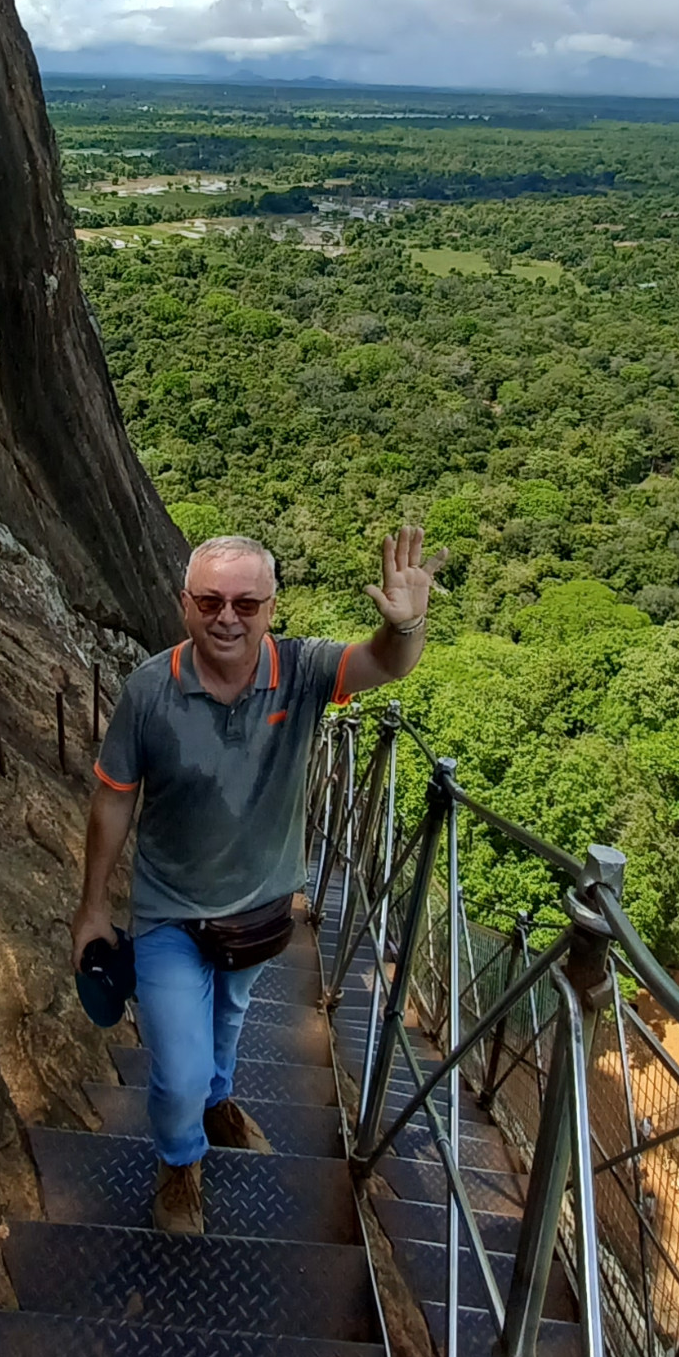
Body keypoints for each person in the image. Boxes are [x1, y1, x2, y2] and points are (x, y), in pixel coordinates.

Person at [72, 528, 442, 1234]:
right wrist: (92, 907)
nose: (227, 617)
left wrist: (407, 625)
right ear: (184, 605)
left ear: (273, 607)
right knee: (176, 1067)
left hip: (259, 908)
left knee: (230, 1019)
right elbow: (114, 795)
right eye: (209, 600)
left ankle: (219, 1101)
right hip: (170, 912)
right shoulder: (149, 690)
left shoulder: (300, 672)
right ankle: (181, 1160)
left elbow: (384, 663)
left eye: (247, 601)